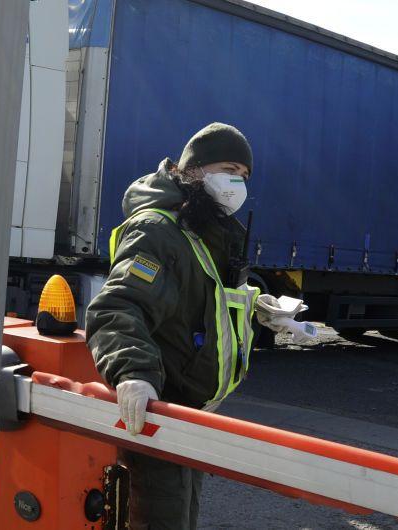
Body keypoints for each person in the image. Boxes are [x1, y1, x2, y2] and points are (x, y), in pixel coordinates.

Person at [86, 122, 260, 529]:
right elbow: (119, 305)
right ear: (193, 169)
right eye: (229, 169)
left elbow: (200, 300)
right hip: (159, 415)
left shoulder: (203, 230)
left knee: (182, 516)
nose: (237, 183)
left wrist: (259, 306)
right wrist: (133, 374)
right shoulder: (159, 230)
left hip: (190, 417)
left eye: (244, 175)